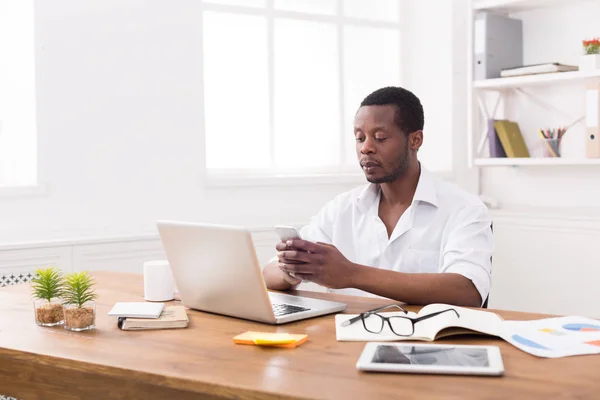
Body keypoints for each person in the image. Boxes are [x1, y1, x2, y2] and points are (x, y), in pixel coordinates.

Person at [262, 86, 493, 307]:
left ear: (415, 140)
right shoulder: (342, 208)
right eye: (360, 138)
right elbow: (269, 273)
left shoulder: (464, 208)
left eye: (380, 138)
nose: (366, 148)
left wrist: (351, 274)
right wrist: (293, 270)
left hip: (427, 343)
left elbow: (468, 291)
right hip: (346, 341)